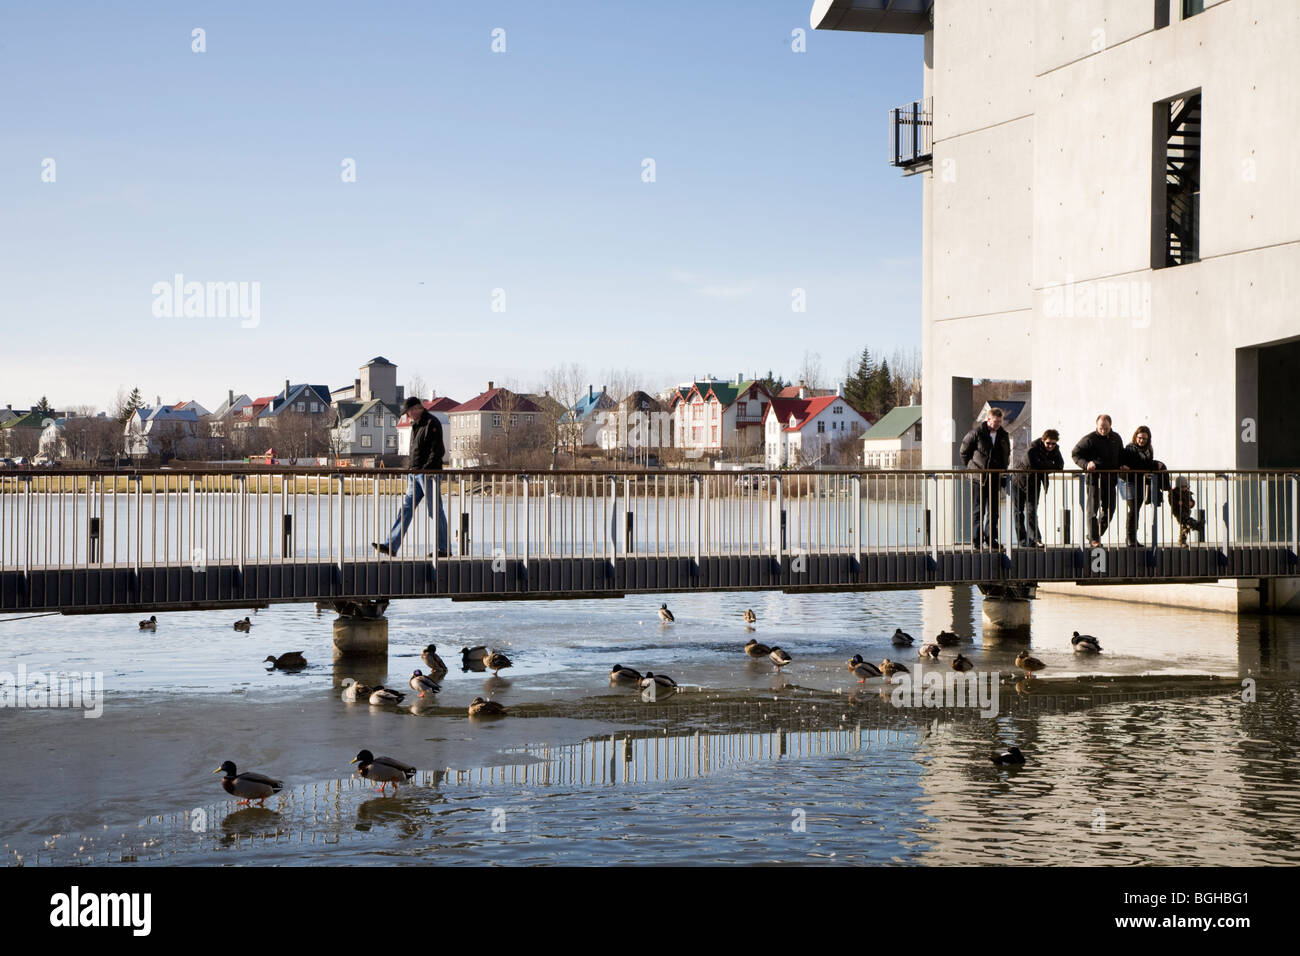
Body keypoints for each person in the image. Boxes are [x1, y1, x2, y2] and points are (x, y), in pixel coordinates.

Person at [373, 397, 449, 557]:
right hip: (414, 474)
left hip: (429, 475)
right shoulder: (416, 425)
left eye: (409, 412)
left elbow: (438, 452)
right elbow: (416, 452)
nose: (408, 416)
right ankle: (391, 545)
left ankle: (444, 548)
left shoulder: (431, 423)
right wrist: (412, 469)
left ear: (417, 408)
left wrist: (425, 469)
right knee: (406, 509)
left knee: (435, 511)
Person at [1071, 414, 1128, 547]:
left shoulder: (1116, 438)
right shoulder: (1090, 439)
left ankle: (1094, 534)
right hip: (1094, 480)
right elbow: (1075, 453)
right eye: (1101, 427)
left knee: (1110, 510)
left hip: (1111, 480)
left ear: (1110, 426)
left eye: (1106, 428)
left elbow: (1121, 454)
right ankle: (1094, 539)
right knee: (1092, 510)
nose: (1103, 430)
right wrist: (1086, 464)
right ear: (1097, 425)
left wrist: (1122, 464)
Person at [960, 407, 1011, 548]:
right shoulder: (976, 433)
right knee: (978, 510)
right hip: (979, 478)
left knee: (994, 511)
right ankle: (977, 540)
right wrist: (973, 468)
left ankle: (991, 539)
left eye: (999, 422)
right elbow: (964, 452)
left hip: (995, 477)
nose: (997, 424)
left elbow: (1006, 456)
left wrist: (1003, 472)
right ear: (988, 419)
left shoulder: (1003, 436)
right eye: (995, 421)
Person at [1011, 429, 1063, 547]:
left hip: (1034, 482)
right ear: (1043, 440)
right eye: (1048, 443)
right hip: (1019, 481)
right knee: (1018, 511)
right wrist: (1049, 465)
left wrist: (1043, 465)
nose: (1051, 446)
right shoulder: (1033, 447)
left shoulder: (1055, 449)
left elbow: (1060, 465)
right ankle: (1022, 540)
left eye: (1053, 443)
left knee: (1032, 511)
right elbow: (1033, 464)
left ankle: (1035, 539)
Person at [1120, 425, 1163, 546]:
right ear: (1135, 437)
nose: (1141, 440)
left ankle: (1133, 537)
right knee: (1133, 508)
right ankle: (1130, 538)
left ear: (1148, 439)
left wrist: (1152, 466)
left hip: (1139, 480)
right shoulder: (1130, 448)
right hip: (1127, 481)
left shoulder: (1149, 449)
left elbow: (1146, 465)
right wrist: (1154, 465)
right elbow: (1138, 465)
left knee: (1136, 508)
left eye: (1144, 438)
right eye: (1139, 438)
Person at [1168, 476, 1205, 546]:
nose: (1184, 488)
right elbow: (1171, 502)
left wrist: (1192, 503)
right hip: (1178, 512)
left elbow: (1192, 501)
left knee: (1185, 525)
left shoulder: (1187, 493)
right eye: (1183, 487)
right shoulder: (1173, 493)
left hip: (1186, 511)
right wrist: (1177, 503)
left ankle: (1182, 541)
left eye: (1185, 486)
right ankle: (1196, 525)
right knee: (1186, 521)